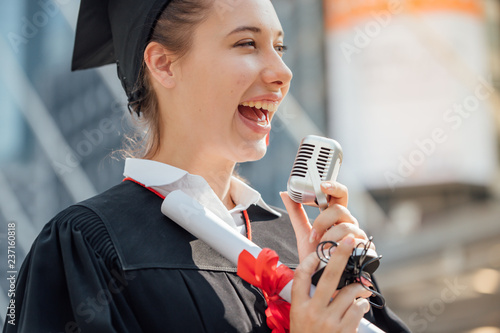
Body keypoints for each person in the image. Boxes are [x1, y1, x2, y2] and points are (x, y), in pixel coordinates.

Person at [4, 0, 410, 332]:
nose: (282, 73)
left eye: (279, 48)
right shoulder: (85, 246)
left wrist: (339, 283)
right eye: (247, 44)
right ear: (163, 64)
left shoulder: (300, 244)